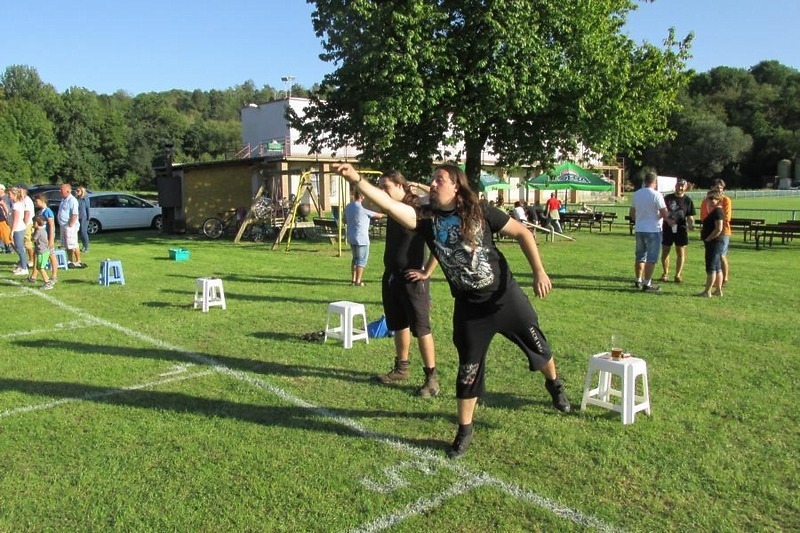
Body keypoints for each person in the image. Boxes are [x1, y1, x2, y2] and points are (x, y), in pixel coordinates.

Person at [335, 163, 571, 460]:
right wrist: (357, 179)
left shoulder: (480, 211)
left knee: (538, 347)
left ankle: (554, 385)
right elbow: (389, 204)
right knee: (467, 371)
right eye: (431, 179)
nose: (432, 184)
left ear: (456, 185)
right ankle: (464, 431)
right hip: (470, 309)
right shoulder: (425, 218)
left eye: (439, 180)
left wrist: (539, 271)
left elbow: (522, 232)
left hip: (505, 298)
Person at [373, 170, 440, 397]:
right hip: (392, 276)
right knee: (398, 324)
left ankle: (431, 378)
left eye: (386, 186)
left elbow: (439, 244)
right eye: (380, 186)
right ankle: (401, 369)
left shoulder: (418, 209)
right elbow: (368, 203)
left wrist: (426, 271)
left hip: (413, 280)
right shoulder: (392, 208)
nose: (383, 191)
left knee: (421, 329)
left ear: (401, 186)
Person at [630, 172, 669, 292]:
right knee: (651, 258)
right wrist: (658, 216)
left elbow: (632, 213)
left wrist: (639, 220)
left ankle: (638, 280)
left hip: (640, 228)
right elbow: (664, 213)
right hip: (653, 229)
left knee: (640, 256)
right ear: (655, 182)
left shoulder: (637, 194)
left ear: (644, 181)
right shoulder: (656, 195)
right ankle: (647, 283)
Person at [659, 179, 695, 283]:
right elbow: (662, 212)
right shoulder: (667, 198)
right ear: (675, 186)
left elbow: (690, 216)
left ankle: (678, 275)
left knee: (680, 251)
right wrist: (668, 220)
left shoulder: (688, 200)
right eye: (678, 185)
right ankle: (665, 273)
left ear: (686, 187)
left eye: (682, 186)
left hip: (681, 229)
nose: (680, 188)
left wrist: (691, 224)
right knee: (665, 250)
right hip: (668, 228)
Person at [343, 189, 381, 286]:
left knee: (354, 259)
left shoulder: (348, 206)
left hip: (351, 236)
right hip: (362, 238)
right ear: (362, 196)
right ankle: (358, 281)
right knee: (361, 260)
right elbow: (379, 216)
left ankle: (353, 280)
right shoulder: (364, 207)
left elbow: (344, 220)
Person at [700, 179, 732, 287]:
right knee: (712, 257)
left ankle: (724, 278)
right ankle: (713, 281)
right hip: (710, 231)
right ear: (712, 188)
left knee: (721, 255)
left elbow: (726, 217)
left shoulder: (725, 201)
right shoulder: (706, 201)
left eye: (721, 188)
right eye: (717, 187)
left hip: (723, 232)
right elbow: (703, 217)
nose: (719, 190)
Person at [697, 190, 726, 297]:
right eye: (708, 198)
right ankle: (718, 290)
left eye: (713, 198)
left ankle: (707, 291)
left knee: (711, 267)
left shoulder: (718, 212)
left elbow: (719, 228)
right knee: (717, 267)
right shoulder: (714, 211)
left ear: (719, 200)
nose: (710, 201)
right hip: (715, 243)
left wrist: (708, 239)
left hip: (714, 243)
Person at [57, 183, 86, 268]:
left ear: (68, 191)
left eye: (61, 190)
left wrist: (70, 225)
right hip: (63, 225)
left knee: (73, 244)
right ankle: (70, 260)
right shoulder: (63, 199)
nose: (60, 191)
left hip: (70, 226)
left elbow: (74, 214)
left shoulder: (72, 200)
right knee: (67, 244)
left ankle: (78, 260)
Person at [34, 194, 59, 285]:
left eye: (37, 201)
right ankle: (34, 276)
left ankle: (54, 276)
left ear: (42, 201)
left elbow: (52, 226)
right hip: (41, 238)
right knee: (38, 255)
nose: (35, 203)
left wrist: (51, 239)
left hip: (47, 238)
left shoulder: (48, 211)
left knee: (51, 255)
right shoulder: (39, 212)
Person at [29, 215, 54, 290]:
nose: (33, 224)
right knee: (39, 267)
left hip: (42, 252)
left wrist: (31, 233)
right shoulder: (43, 230)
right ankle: (47, 281)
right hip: (42, 251)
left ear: (37, 223)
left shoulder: (38, 231)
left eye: (34, 222)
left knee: (40, 267)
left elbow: (33, 239)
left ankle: (47, 282)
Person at [9, 186, 29, 275]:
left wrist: (12, 231)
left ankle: (24, 268)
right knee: (19, 247)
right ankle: (21, 265)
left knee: (20, 248)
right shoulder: (19, 203)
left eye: (10, 194)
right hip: (19, 227)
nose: (9, 196)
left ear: (14, 195)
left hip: (18, 228)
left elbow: (16, 220)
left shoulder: (16, 205)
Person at [76, 186, 91, 253]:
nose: (77, 192)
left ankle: (86, 247)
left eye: (78, 191)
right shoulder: (77, 198)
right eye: (76, 190)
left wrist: (88, 217)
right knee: (80, 232)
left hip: (84, 217)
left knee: (83, 232)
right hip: (78, 216)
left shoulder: (85, 198)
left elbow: (87, 208)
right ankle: (83, 246)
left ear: (82, 191)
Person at [0, 184, 13, 253]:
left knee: (6, 235)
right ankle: (3, 249)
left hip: (2, 219)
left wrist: (7, 215)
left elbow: (4, 205)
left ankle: (10, 248)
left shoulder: (6, 198)